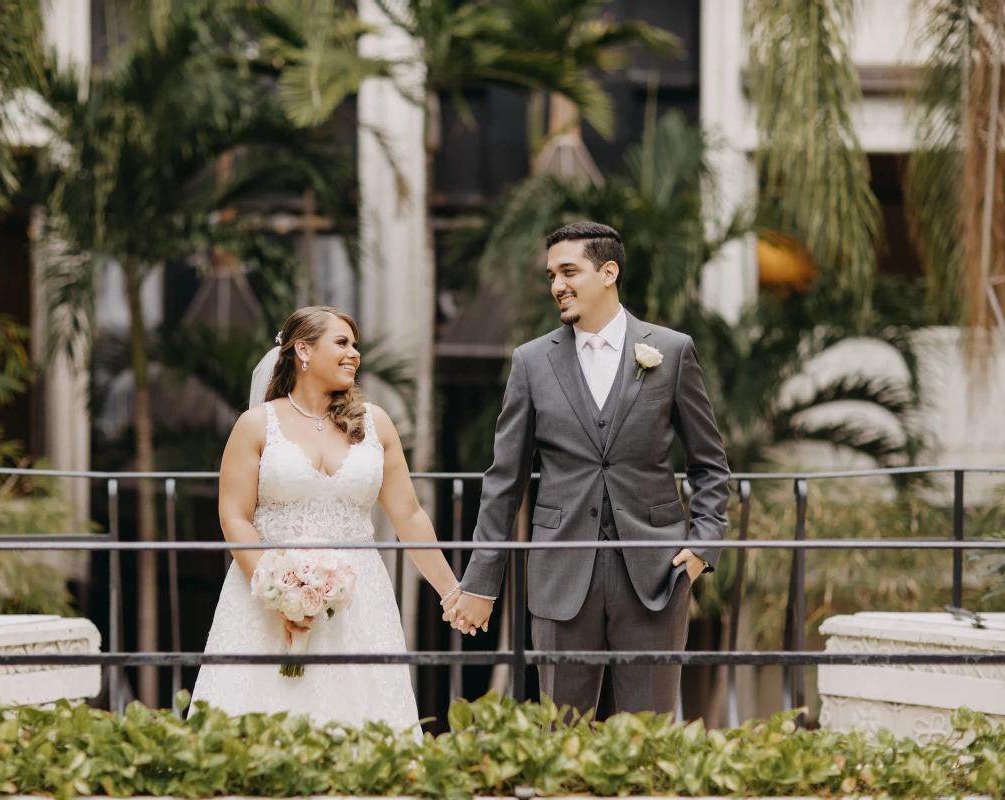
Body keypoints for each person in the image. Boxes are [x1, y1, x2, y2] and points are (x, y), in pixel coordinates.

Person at [446, 222, 730, 718]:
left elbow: (709, 463)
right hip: (561, 572)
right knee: (564, 739)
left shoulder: (672, 350)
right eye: (552, 275)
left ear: (608, 272)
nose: (557, 285)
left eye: (569, 271)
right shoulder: (532, 362)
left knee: (649, 739)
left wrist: (702, 547)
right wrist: (480, 583)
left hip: (657, 575)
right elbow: (504, 481)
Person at [190, 306, 461, 734]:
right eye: (342, 342)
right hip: (264, 596)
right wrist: (278, 593)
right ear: (302, 350)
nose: (354, 353)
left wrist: (451, 592)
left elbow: (408, 514)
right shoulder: (257, 425)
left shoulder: (376, 424)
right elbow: (234, 517)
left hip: (360, 599)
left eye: (355, 345)